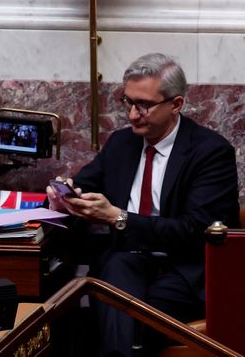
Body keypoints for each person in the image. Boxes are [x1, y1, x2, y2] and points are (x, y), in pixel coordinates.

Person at [46, 53, 240, 356]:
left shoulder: (211, 152)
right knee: (111, 279)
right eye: (128, 102)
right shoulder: (122, 143)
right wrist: (65, 195)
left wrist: (119, 218)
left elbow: (195, 230)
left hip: (184, 270)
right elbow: (85, 184)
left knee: (123, 312)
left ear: (176, 104)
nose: (133, 115)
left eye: (144, 105)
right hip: (128, 260)